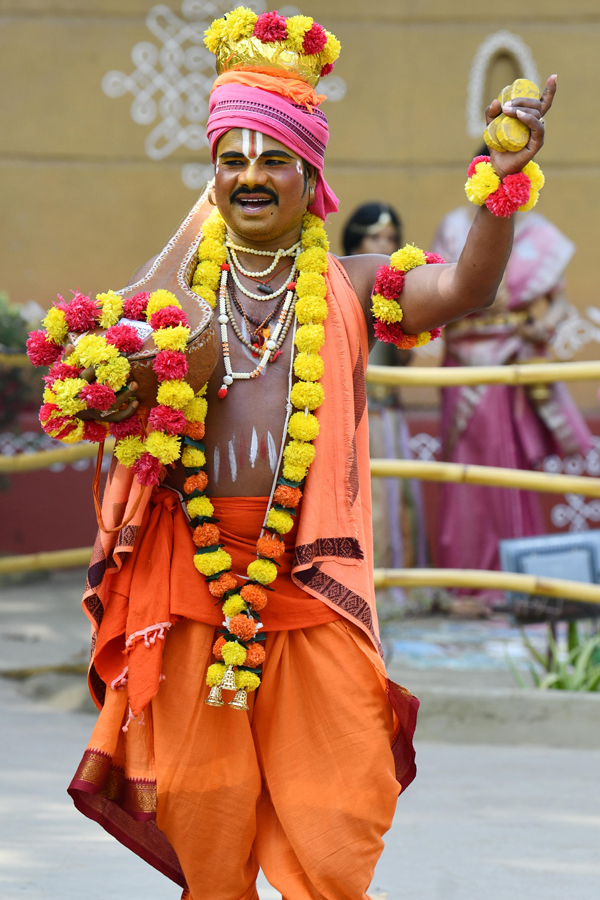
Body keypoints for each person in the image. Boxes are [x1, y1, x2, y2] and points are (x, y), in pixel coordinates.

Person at [31, 10, 555, 898]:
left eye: (272, 157)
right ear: (213, 177)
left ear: (310, 176)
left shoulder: (353, 285)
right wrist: (112, 396)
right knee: (201, 801)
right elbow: (117, 409)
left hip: (311, 577)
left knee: (339, 804)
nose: (250, 176)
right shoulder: (169, 305)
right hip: (191, 575)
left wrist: (499, 185)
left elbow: (466, 288)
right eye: (230, 159)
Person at [432, 145, 591, 611]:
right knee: (465, 472)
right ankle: (468, 585)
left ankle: (517, 581)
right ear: (478, 173)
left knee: (511, 469)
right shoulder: (454, 227)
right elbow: (439, 289)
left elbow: (557, 300)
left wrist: (545, 325)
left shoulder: (537, 232)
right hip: (464, 366)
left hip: (513, 365)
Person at [343, 203, 428, 605]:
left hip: (389, 414)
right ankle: (366, 591)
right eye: (377, 238)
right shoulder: (349, 287)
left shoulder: (394, 291)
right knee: (368, 502)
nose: (387, 245)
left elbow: (405, 354)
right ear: (357, 241)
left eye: (392, 239)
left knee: (401, 501)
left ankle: (402, 595)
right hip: (357, 415)